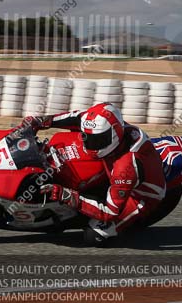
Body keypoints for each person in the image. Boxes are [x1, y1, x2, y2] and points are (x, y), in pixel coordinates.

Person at [14, 102, 166, 245]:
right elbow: (76, 117)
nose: (89, 145)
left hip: (139, 195)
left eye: (96, 140)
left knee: (93, 235)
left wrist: (66, 195)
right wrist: (41, 121)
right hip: (120, 167)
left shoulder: (125, 168)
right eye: (87, 137)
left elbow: (110, 212)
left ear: (113, 136)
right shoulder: (107, 127)